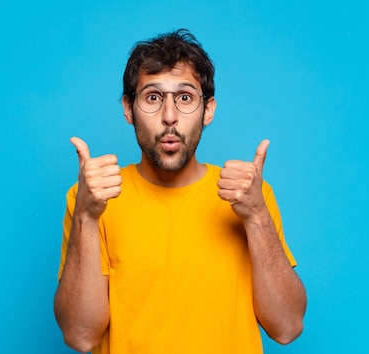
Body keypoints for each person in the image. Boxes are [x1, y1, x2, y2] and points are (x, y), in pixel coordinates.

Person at [54, 29, 306, 354]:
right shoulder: (91, 197)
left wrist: (257, 216)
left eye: (185, 98)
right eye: (153, 97)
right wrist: (87, 218)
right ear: (128, 109)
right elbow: (80, 335)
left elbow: (287, 328)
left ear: (208, 110)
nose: (169, 117)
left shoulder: (250, 196)